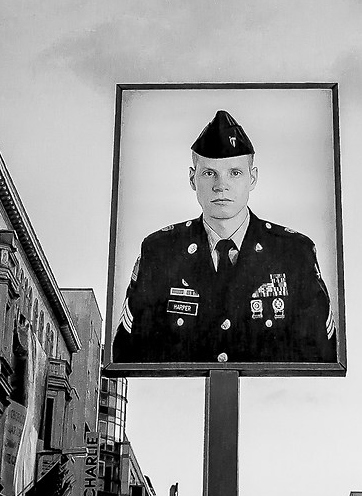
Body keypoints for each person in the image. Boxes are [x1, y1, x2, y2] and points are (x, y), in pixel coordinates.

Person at [111, 109, 336, 365]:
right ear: (192, 178)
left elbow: (321, 356)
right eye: (209, 173)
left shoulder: (294, 253)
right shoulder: (160, 251)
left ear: (252, 178)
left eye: (234, 173)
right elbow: (129, 356)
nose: (221, 185)